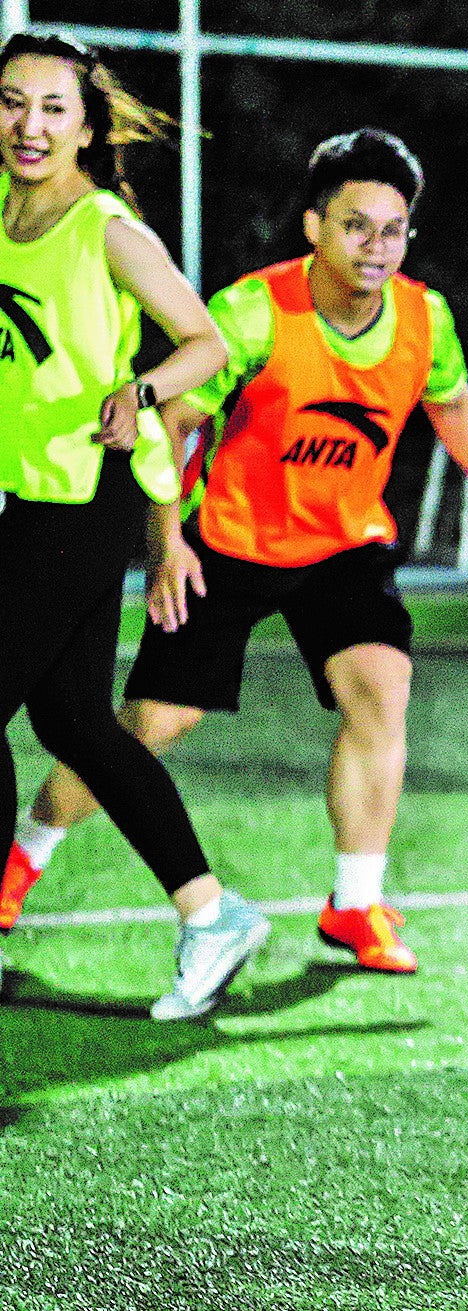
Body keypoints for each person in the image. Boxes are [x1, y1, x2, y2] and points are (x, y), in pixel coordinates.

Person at [3, 127, 468, 975]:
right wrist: (167, 544)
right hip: (227, 539)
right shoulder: (254, 310)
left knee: (382, 686)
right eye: (356, 226)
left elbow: (452, 406)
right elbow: (174, 418)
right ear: (313, 226)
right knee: (153, 724)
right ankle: (25, 851)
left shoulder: (426, 318)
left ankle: (355, 905)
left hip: (344, 542)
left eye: (392, 230)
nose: (375, 247)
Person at [0, 30, 270, 1020]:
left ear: (86, 124)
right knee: (72, 719)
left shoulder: (104, 225)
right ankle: (212, 913)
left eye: (52, 107)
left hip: (82, 500)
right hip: (30, 497)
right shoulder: (2, 212)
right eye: (11, 101)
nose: (29, 125)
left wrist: (142, 391)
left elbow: (203, 343)